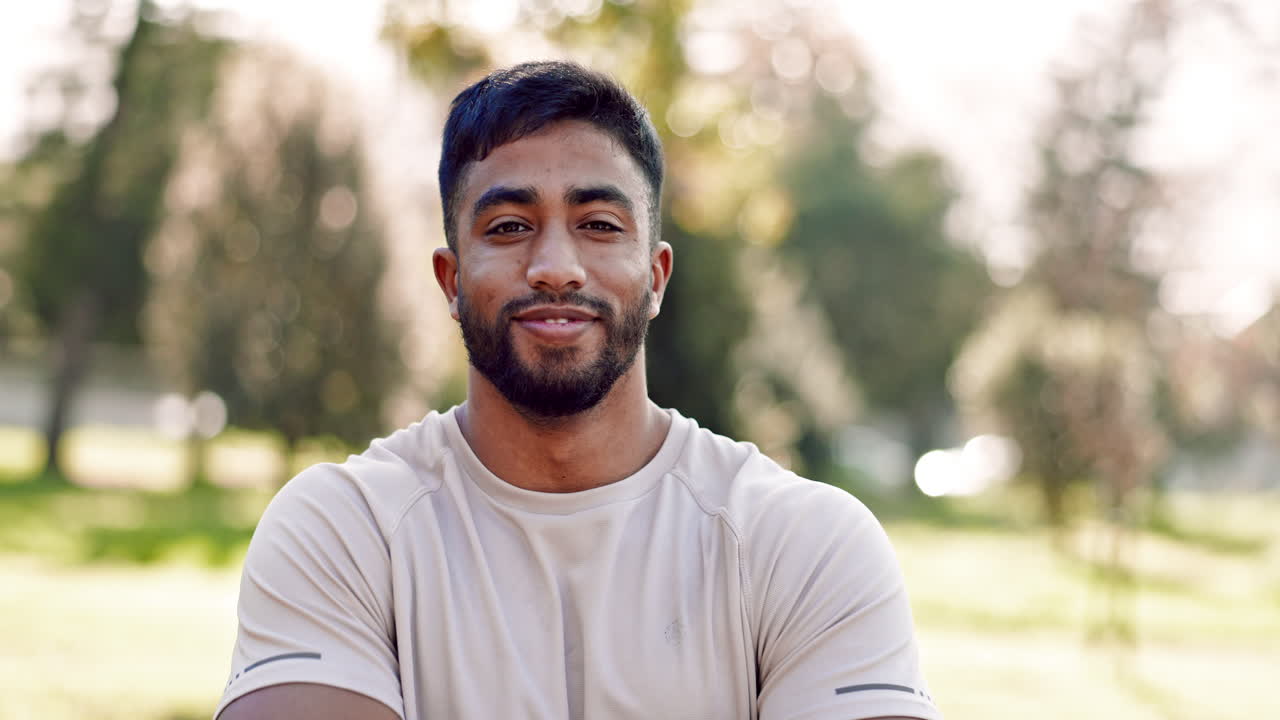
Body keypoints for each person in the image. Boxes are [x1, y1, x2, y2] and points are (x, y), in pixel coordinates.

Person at [216, 61, 941, 720]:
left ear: (656, 277)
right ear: (451, 280)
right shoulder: (343, 531)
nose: (556, 267)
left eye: (598, 224)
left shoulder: (803, 543)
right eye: (508, 226)